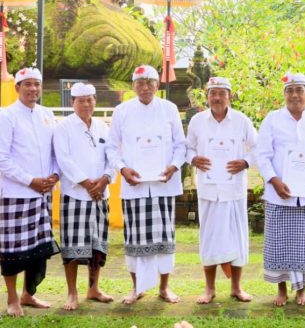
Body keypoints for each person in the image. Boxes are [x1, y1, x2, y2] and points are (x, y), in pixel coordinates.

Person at [107, 64, 186, 305]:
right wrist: (122, 169)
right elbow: (111, 147)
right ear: (133, 86)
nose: (145, 86)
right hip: (135, 186)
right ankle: (136, 287)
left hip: (163, 184)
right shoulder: (121, 111)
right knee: (135, 239)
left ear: (158, 84)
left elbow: (180, 145)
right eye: (140, 82)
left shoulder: (169, 109)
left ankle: (164, 287)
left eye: (150, 81)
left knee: (165, 238)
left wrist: (174, 166)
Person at [256, 71, 305, 306]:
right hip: (279, 194)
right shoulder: (272, 119)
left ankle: (302, 290)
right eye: (289, 91)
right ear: (284, 95)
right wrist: (274, 180)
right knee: (279, 244)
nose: (294, 95)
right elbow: (262, 155)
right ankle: (281, 290)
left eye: (299, 90)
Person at [0, 66, 60, 316]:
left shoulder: (47, 114)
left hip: (43, 192)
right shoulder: (6, 117)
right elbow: (1, 157)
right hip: (16, 194)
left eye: (37, 84)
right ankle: (12, 299)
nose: (33, 88)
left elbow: (56, 151)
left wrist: (54, 176)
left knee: (38, 249)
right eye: (28, 84)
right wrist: (29, 180)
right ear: (17, 88)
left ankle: (28, 294)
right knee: (13, 250)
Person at [186, 76, 257, 304]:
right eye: (212, 93)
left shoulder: (241, 120)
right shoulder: (197, 121)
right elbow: (186, 149)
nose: (216, 98)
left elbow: (258, 148)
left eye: (221, 93)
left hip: (233, 189)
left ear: (230, 96)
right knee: (209, 238)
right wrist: (194, 159)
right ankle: (209, 288)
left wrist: (245, 162)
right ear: (207, 96)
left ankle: (236, 287)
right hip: (208, 190)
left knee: (237, 238)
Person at [53, 82, 115, 310]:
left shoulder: (103, 127)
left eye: (90, 99)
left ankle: (94, 288)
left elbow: (112, 156)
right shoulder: (64, 127)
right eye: (81, 100)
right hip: (75, 195)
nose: (87, 104)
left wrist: (105, 179)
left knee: (97, 246)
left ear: (95, 101)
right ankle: (71, 293)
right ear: (73, 103)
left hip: (101, 195)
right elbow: (63, 159)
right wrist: (87, 183)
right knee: (72, 248)